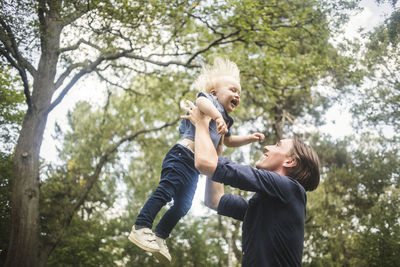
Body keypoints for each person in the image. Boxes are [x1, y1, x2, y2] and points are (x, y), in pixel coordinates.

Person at [128, 57, 265, 262]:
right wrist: (216, 117)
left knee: (183, 206)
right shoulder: (208, 103)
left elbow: (227, 141)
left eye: (239, 93)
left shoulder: (226, 119)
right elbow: (200, 103)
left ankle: (160, 236)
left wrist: (248, 138)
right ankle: (141, 226)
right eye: (232, 89)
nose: (237, 94)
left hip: (194, 168)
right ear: (214, 93)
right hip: (182, 155)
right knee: (166, 191)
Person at [181, 100, 320, 266]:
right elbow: (215, 200)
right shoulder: (263, 208)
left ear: (290, 161)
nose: (266, 147)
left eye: (277, 145)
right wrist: (215, 146)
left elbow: (204, 163)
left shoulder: (290, 188)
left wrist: (201, 123)